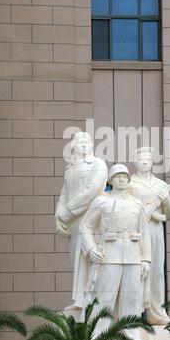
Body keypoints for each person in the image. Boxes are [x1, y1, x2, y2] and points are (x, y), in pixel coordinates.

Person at [79, 164, 151, 339]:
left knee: (132, 299)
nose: (121, 179)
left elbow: (145, 234)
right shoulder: (102, 201)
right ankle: (97, 336)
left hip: (133, 257)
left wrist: (146, 260)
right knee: (104, 298)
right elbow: (85, 227)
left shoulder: (136, 204)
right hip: (109, 256)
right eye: (118, 176)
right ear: (111, 180)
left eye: (125, 176)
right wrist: (91, 248)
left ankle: (132, 336)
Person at [55, 132, 108, 309]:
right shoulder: (70, 168)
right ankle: (80, 301)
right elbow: (64, 194)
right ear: (73, 147)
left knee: (90, 258)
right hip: (74, 223)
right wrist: (58, 218)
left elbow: (91, 192)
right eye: (80, 142)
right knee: (76, 259)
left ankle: (93, 302)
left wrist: (67, 213)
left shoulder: (98, 164)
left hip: (91, 219)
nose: (84, 145)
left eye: (87, 142)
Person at [128, 147, 170, 325]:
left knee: (156, 271)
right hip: (135, 231)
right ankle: (132, 313)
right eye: (141, 159)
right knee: (134, 270)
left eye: (148, 159)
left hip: (155, 232)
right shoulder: (129, 183)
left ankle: (156, 311)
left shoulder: (160, 185)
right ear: (135, 162)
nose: (145, 162)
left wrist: (165, 205)